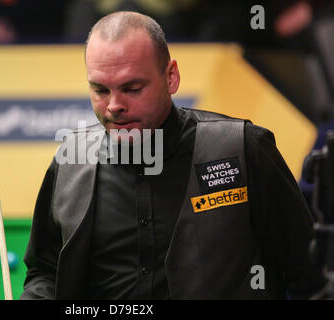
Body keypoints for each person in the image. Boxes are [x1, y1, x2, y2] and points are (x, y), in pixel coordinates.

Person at [20, 11, 326, 300]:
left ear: (171, 77)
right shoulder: (71, 162)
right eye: (100, 90)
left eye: (132, 88)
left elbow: (308, 272)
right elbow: (45, 272)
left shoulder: (243, 149)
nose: (114, 105)